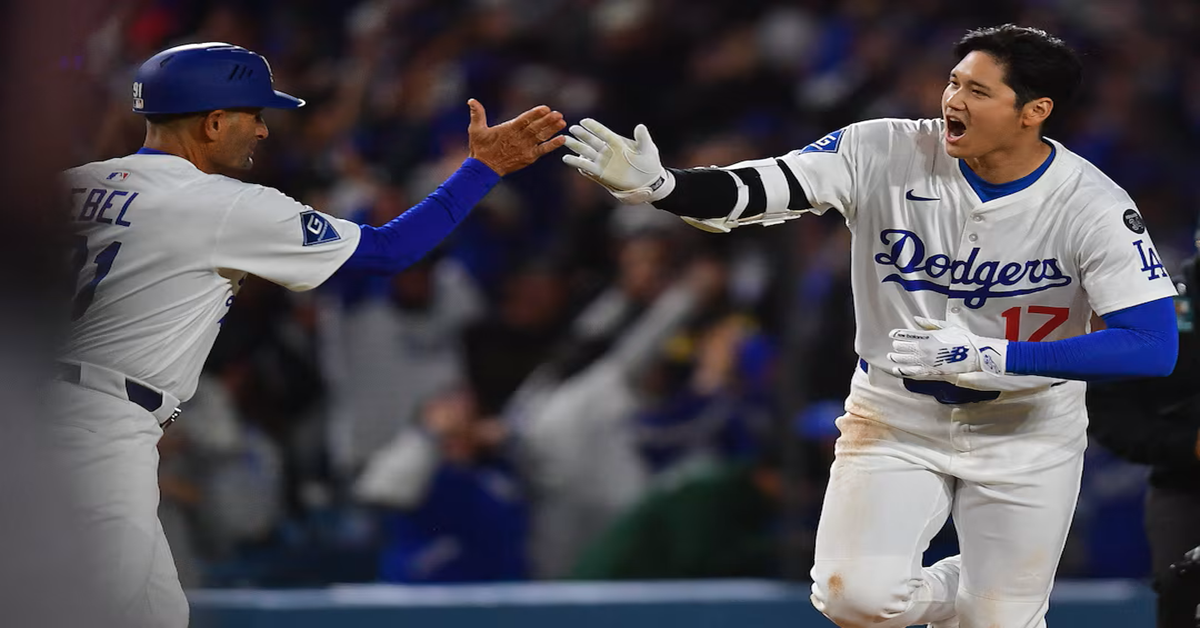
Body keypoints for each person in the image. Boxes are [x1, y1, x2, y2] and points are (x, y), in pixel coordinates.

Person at [563, 24, 1177, 628]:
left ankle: (1002, 600)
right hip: (896, 412)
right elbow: (764, 186)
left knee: (1001, 624)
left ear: (1033, 111)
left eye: (979, 92)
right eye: (954, 82)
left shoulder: (1093, 205)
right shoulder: (882, 148)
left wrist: (997, 358)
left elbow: (1152, 346)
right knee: (854, 597)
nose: (953, 101)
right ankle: (986, 589)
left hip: (1028, 424)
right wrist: (665, 187)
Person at [55, 42, 564, 627]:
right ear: (214, 122)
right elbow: (388, 251)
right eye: (255, 115)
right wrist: (484, 168)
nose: (265, 132)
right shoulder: (220, 204)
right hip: (94, 429)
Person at [1087, 238, 1200, 627]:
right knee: (1182, 587)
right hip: (1185, 486)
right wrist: (1190, 444)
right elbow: (1111, 414)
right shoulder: (1156, 307)